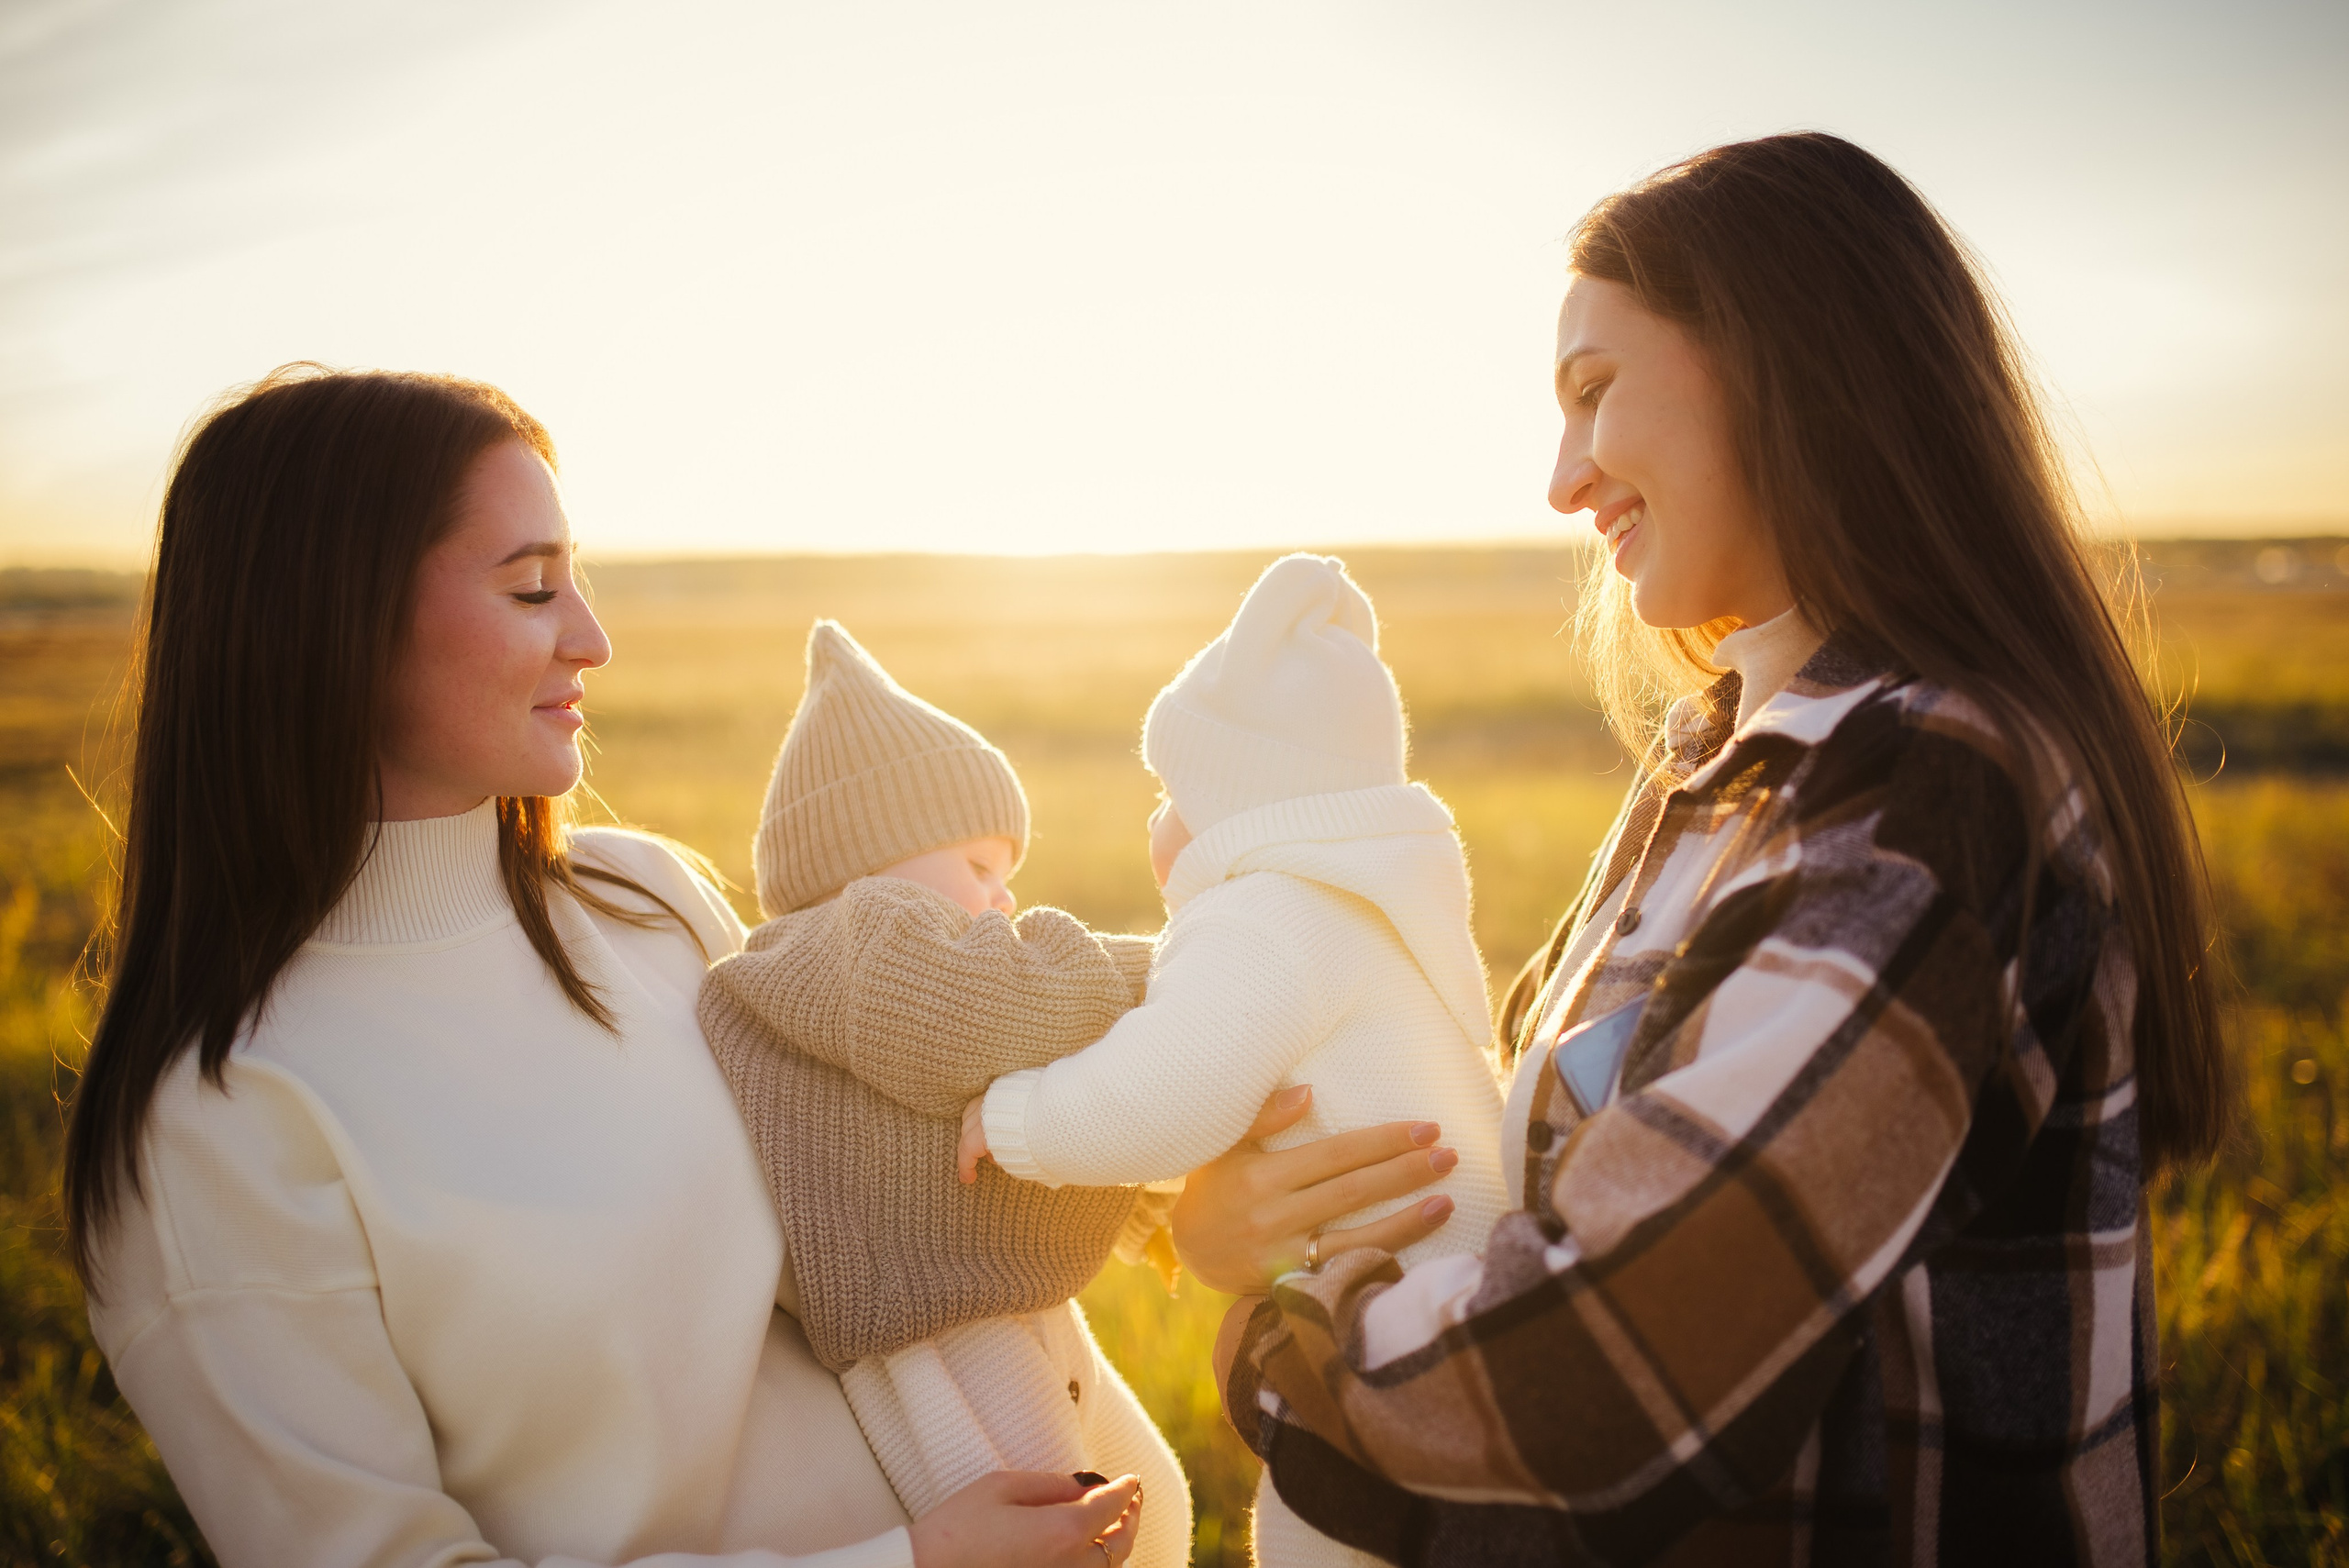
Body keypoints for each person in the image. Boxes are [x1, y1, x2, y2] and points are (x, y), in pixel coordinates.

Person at [1183, 132, 2230, 1565]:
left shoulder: (1927, 782)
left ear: (1781, 360)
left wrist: (1273, 1337)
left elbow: (1612, 1366)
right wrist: (1269, 1207)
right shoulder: (1726, 758)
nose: (1563, 479)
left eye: (1594, 393)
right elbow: (1543, 1164)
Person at [61, 365, 1147, 1568]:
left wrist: (1186, 1205)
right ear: (330, 620)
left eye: (579, 579)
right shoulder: (219, 1120)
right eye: (533, 588)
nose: (594, 638)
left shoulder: (647, 902)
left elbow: (886, 1184)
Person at [958, 554, 1514, 1567]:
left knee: (1318, 1529)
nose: (1153, 821)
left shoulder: (1261, 916)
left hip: (1377, 1364)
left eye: (1170, 791)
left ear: (1242, 802)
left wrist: (1013, 1119)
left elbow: (1170, 1091)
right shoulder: (1371, 915)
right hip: (1463, 1342)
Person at [697, 619, 1191, 1567]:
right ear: (867, 857)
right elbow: (999, 1009)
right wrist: (1178, 978)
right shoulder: (846, 943)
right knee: (1056, 1519)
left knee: (1151, 1502)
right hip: (925, 1329)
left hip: (976, 1288)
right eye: (978, 867)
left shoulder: (860, 971)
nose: (1003, 901)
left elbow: (979, 1093)